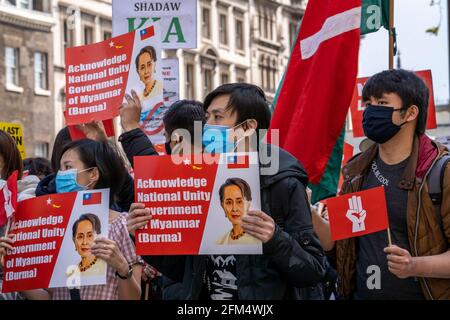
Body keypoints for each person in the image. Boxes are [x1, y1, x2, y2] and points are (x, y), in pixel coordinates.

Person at [127, 83, 328, 300]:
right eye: (207, 118)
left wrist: (274, 238)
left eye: (217, 117)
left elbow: (314, 269)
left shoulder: (283, 182)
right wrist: (144, 234)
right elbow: (182, 270)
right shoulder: (202, 177)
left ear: (248, 127)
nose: (207, 126)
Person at [313, 69, 450, 300]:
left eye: (382, 102)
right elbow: (335, 241)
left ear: (410, 113)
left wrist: (413, 265)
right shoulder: (357, 172)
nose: (371, 111)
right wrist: (304, 207)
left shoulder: (439, 173)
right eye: (368, 103)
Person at [19, 139, 143, 300]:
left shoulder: (123, 226)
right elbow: (51, 295)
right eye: (60, 168)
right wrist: (14, 270)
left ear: (93, 174)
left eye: (68, 167)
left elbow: (133, 297)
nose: (60, 175)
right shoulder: (56, 226)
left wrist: (122, 267)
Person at [216, 178, 260, 245]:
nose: (234, 208)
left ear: (248, 204)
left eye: (239, 202)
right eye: (229, 202)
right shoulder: (219, 243)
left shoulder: (260, 238)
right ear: (222, 206)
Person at [67, 214, 107, 280]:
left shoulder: (104, 267)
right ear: (74, 240)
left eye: (90, 235)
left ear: (98, 237)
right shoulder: (71, 272)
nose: (84, 242)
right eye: (80, 237)